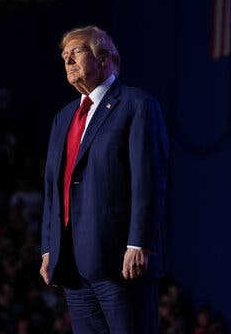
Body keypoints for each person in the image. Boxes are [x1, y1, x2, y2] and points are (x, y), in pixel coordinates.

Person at [39, 25, 168, 333]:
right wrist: (49, 248)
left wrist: (139, 242)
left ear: (105, 59)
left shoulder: (136, 105)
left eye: (78, 52)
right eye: (64, 55)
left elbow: (148, 179)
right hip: (72, 264)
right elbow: (52, 188)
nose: (68, 61)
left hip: (119, 260)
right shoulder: (63, 117)